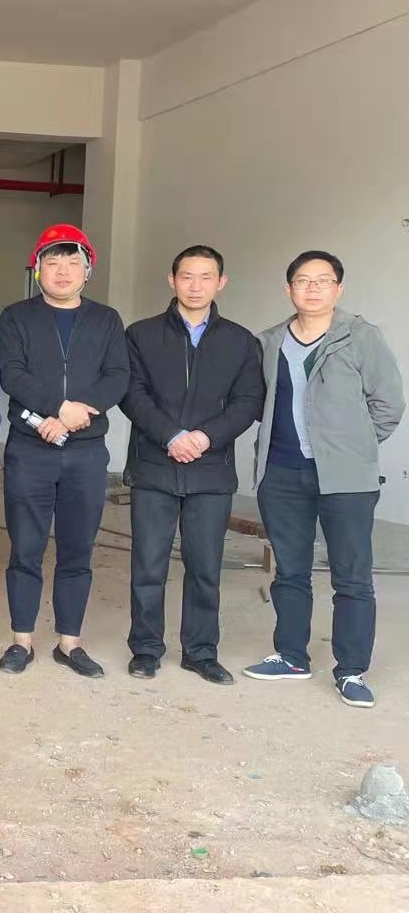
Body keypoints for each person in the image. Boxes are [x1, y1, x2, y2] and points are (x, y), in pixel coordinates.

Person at [243, 250, 403, 708]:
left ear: (339, 289)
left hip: (346, 479)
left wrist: (352, 448)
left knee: (352, 576)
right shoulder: (269, 341)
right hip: (282, 471)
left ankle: (351, 670)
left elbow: (389, 403)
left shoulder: (361, 337)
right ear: (288, 289)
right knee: (290, 571)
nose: (312, 288)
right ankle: (292, 656)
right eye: (302, 280)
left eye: (323, 280)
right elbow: (259, 401)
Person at [121, 245, 263, 684]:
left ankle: (201, 653)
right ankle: (145, 649)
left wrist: (204, 437)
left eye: (206, 277)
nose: (195, 286)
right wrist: (171, 436)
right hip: (154, 465)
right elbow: (132, 393)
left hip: (211, 469)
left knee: (204, 568)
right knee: (148, 566)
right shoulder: (141, 335)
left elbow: (248, 402)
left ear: (221, 282)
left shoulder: (240, 341)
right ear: (172, 280)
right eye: (187, 276)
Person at [0, 224, 128, 679]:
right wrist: (56, 408)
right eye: (52, 263)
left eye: (73, 263)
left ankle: (70, 642)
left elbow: (118, 376)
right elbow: (12, 373)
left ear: (88, 271)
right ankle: (22, 640)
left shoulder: (106, 320)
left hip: (86, 453)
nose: (63, 271)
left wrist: (73, 416)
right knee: (26, 547)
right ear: (38, 270)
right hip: (30, 450)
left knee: (77, 549)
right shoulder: (16, 317)